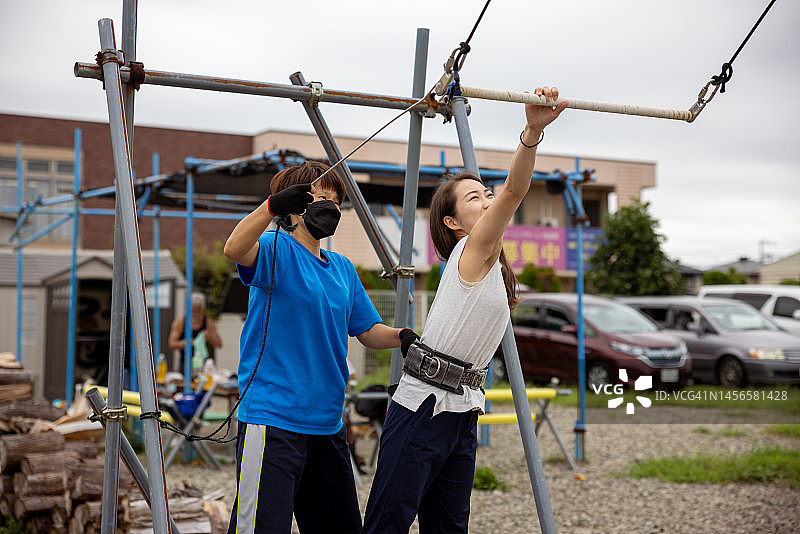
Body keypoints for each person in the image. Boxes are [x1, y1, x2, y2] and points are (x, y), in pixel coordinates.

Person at [363, 86, 568, 533]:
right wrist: (531, 132)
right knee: (387, 525)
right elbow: (515, 189)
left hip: (461, 411)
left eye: (485, 192)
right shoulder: (468, 252)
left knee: (450, 528)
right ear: (453, 223)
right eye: (475, 198)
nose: (488, 199)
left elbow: (507, 193)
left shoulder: (492, 264)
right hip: (423, 407)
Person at [222, 160, 409, 534]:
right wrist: (271, 207)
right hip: (273, 417)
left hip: (326, 422)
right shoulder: (276, 248)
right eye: (320, 197)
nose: (330, 206)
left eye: (335, 200)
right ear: (296, 204)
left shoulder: (341, 267)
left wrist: (403, 336)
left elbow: (368, 329)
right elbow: (234, 248)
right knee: (260, 528)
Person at [167, 291, 223, 370]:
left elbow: (219, 344)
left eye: (199, 311)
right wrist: (184, 343)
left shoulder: (209, 323)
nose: (196, 314)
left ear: (203, 310)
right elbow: (171, 343)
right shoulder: (180, 323)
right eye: (193, 311)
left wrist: (211, 337)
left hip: (206, 367)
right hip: (186, 365)